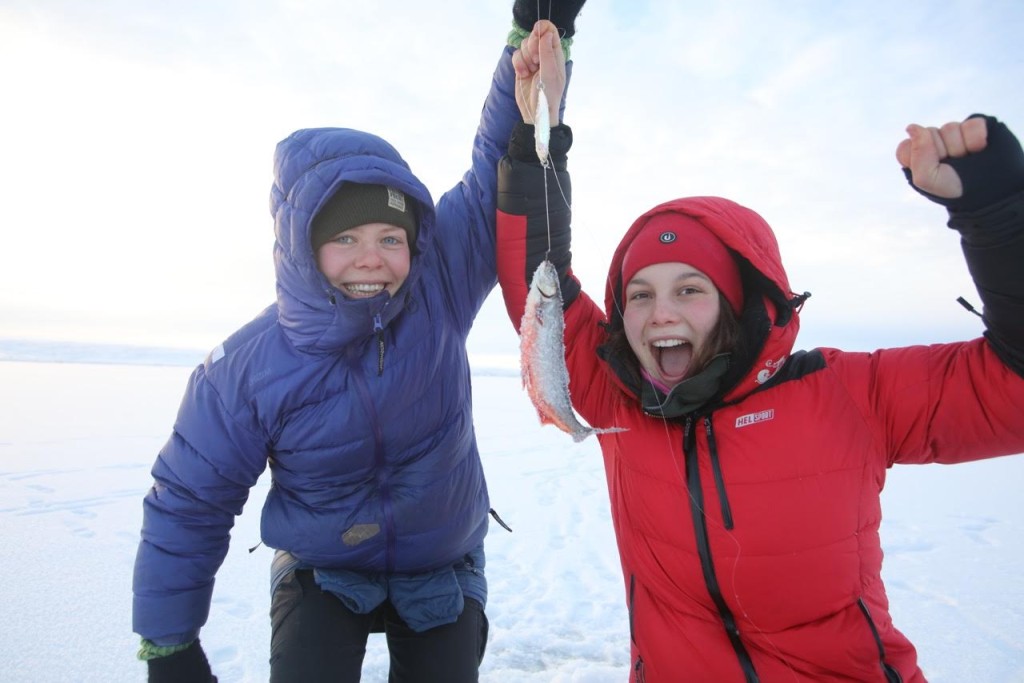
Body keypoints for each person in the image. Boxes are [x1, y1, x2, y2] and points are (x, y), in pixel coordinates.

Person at [496, 46, 1024, 681]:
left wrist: (1000, 219)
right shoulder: (619, 398)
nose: (660, 314)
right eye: (640, 295)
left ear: (737, 301)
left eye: (689, 289)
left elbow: (1011, 389)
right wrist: (538, 134)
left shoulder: (848, 394)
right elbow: (541, 291)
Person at [131, 4, 587, 682]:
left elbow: (497, 166)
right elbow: (190, 501)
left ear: (414, 242)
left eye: (389, 238)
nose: (371, 258)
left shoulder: (437, 285)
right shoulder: (246, 369)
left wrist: (536, 36)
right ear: (303, 246)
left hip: (442, 556)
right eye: (344, 238)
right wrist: (169, 645)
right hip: (323, 565)